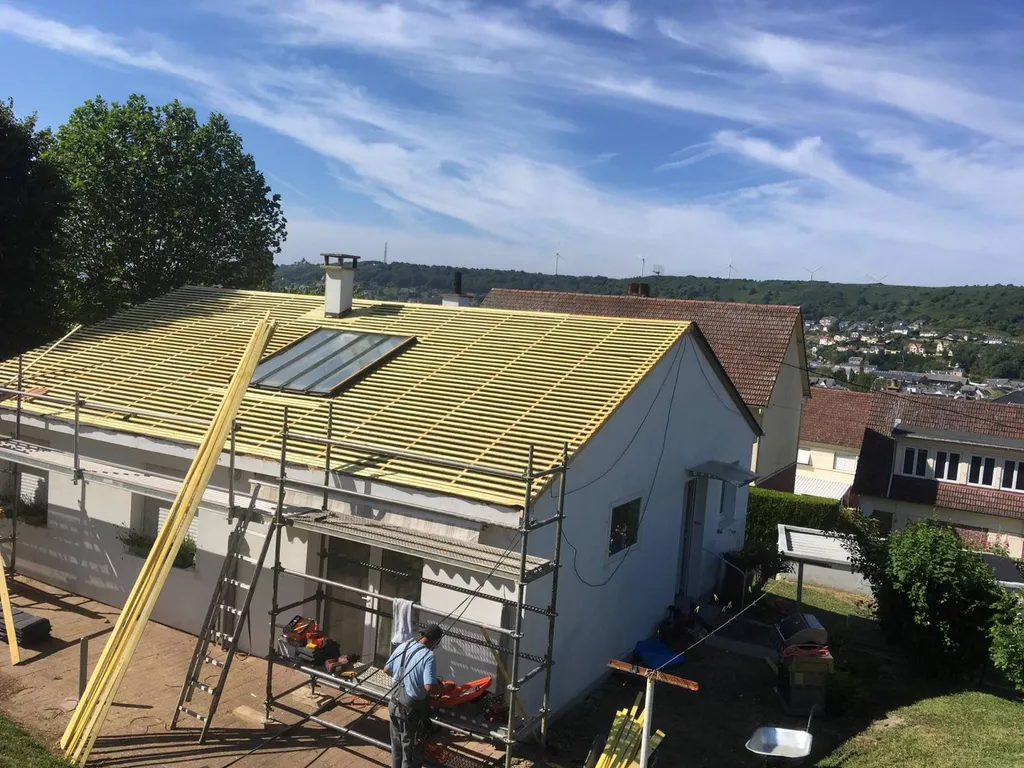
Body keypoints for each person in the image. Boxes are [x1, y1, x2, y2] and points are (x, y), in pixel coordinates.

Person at [386, 624, 443, 768]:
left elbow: (386, 669)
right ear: (435, 641)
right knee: (409, 752)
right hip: (410, 711)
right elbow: (429, 687)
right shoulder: (428, 656)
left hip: (393, 704)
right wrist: (439, 690)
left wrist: (404, 678)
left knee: (397, 748)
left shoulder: (404, 646)